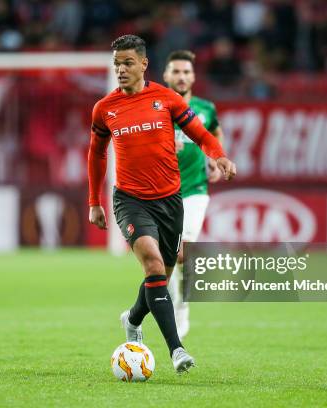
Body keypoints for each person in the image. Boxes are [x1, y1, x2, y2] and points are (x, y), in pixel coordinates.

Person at [87, 34, 236, 373]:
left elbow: (200, 133)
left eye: (127, 63)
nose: (121, 70)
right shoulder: (105, 108)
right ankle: (177, 349)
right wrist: (95, 201)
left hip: (170, 200)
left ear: (143, 64)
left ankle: (133, 318)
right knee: (154, 266)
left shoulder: (166, 99)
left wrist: (220, 156)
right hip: (130, 200)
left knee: (162, 275)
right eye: (116, 64)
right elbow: (96, 155)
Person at [163, 50, 224, 341]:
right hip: (162, 191)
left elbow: (215, 132)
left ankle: (182, 307)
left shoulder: (205, 108)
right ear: (166, 76)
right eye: (176, 71)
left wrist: (214, 157)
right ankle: (178, 302)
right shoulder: (155, 108)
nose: (182, 76)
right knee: (168, 257)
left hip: (196, 189)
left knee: (183, 250)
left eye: (186, 72)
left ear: (194, 76)